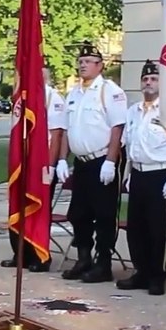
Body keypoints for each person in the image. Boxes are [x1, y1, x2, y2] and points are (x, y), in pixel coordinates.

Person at [58, 41, 128, 283]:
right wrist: (61, 160)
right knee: (79, 213)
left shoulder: (110, 91)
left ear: (100, 66)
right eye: (80, 62)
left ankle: (104, 263)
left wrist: (111, 161)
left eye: (88, 62)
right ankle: (83, 257)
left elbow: (117, 128)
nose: (82, 66)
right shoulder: (74, 93)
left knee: (105, 214)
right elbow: (66, 130)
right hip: (82, 162)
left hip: (101, 160)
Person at [119, 59, 166, 295]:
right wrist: (130, 172)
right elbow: (130, 144)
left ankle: (157, 275)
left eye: (153, 79)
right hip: (139, 174)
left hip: (161, 173)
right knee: (136, 228)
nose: (148, 83)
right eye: (145, 79)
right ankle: (140, 272)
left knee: (157, 229)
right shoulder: (134, 111)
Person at [2, 65, 67, 272]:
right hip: (23, 164)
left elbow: (56, 135)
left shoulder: (52, 99)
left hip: (41, 165)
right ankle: (20, 253)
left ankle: (39, 256)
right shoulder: (22, 98)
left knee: (38, 211)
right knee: (18, 207)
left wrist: (51, 165)